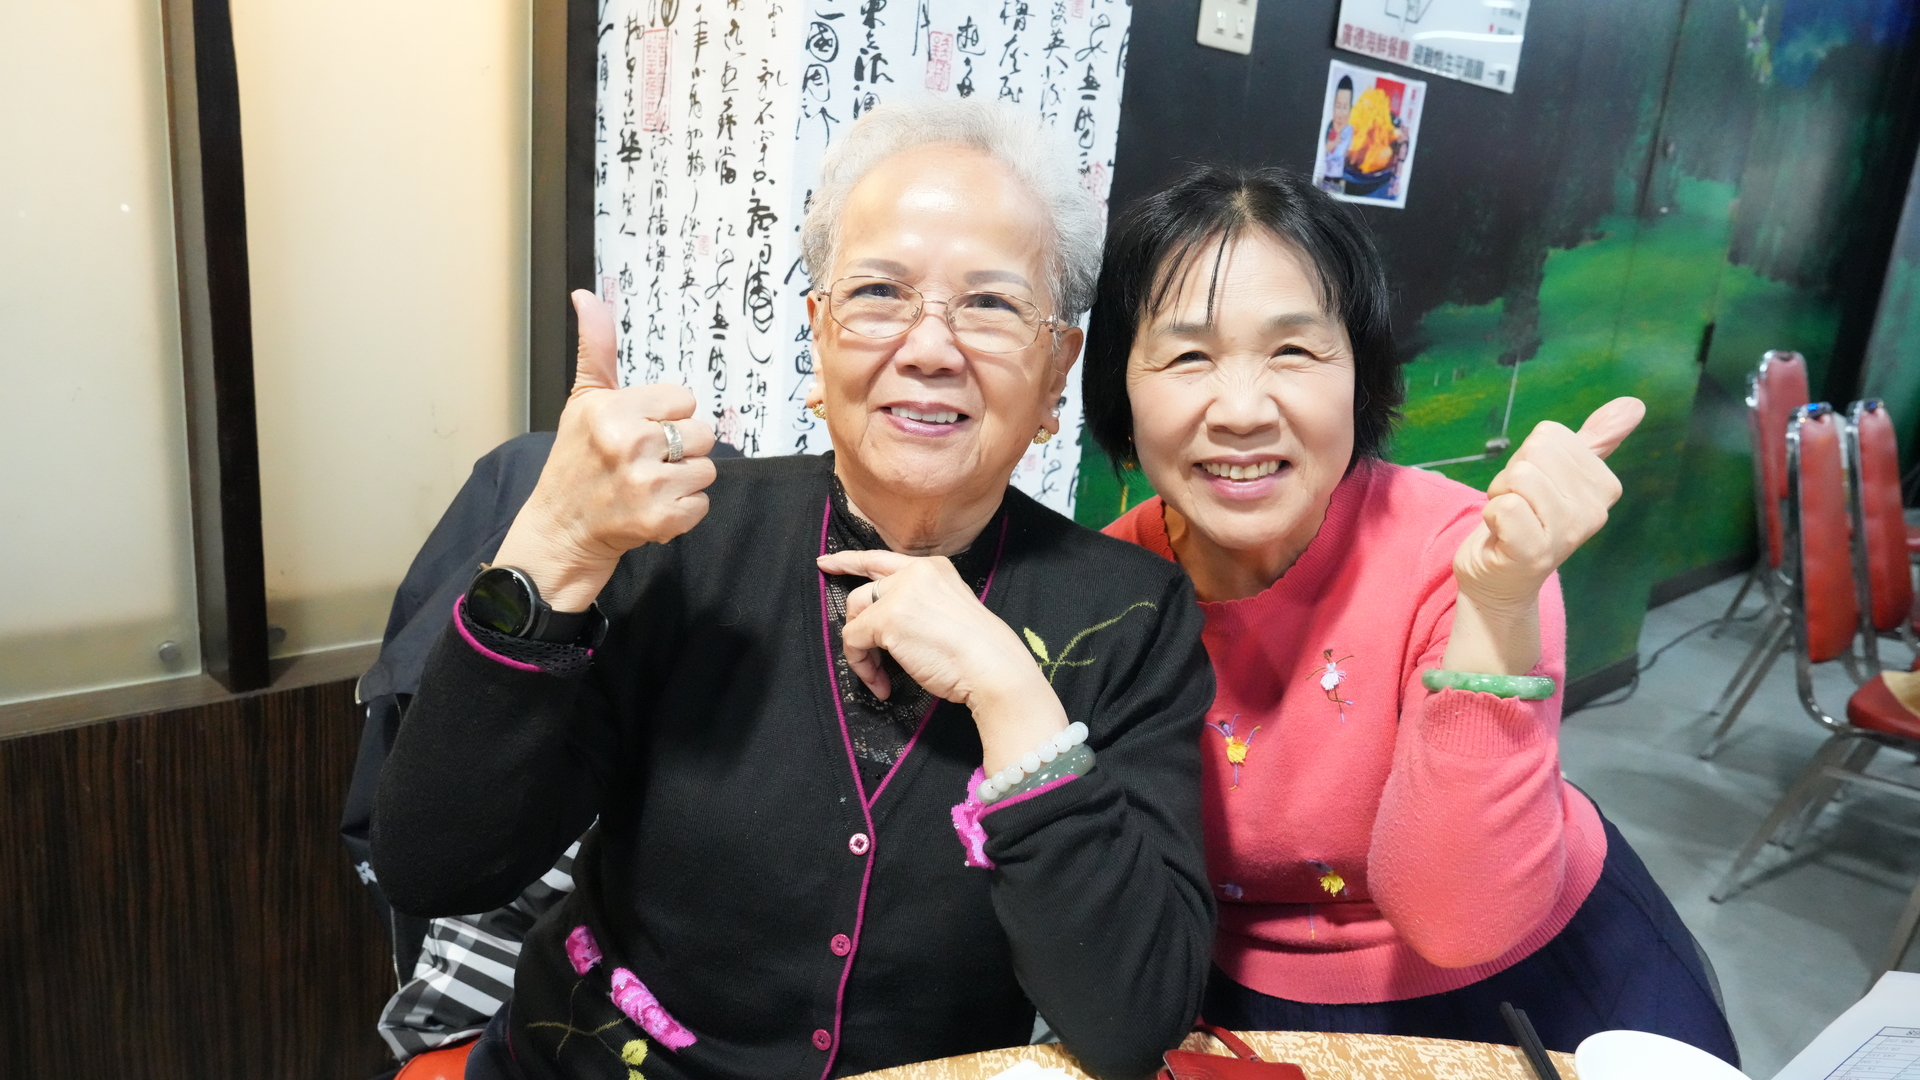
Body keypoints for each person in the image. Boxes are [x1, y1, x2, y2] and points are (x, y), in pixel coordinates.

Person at [371, 98, 1216, 1080]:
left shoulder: (1128, 617)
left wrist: (1010, 694)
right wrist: (553, 548)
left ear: (1057, 369)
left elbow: (1133, 1023)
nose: (930, 349)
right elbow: (436, 867)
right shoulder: (688, 541)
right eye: (879, 293)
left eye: (990, 305)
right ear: (818, 337)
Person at [1081, 164, 1739, 1062]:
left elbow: (1458, 920)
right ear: (1120, 385)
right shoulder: (1103, 593)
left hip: (1529, 980)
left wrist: (1497, 605)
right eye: (1188, 356)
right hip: (1236, 997)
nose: (1240, 411)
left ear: (1359, 372)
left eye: (1293, 350)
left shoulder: (1468, 558)